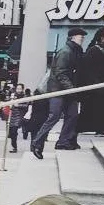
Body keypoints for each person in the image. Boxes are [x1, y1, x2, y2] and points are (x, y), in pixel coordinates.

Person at [31, 26, 86, 158]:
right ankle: (37, 143)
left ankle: (63, 141)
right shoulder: (66, 52)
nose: (83, 38)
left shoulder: (75, 51)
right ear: (73, 37)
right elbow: (60, 73)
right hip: (58, 90)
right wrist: (72, 88)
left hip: (67, 90)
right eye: (81, 36)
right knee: (54, 116)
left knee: (72, 115)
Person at [79, 28, 104, 135]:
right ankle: (85, 127)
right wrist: (95, 82)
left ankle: (101, 128)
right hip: (94, 86)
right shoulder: (93, 50)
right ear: (102, 37)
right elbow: (88, 69)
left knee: (103, 108)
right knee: (92, 108)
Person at [7, 83, 30, 152]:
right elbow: (9, 103)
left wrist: (18, 105)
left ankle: (15, 148)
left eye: (20, 89)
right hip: (12, 115)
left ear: (22, 89)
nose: (18, 90)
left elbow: (26, 106)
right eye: (17, 88)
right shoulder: (13, 95)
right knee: (11, 133)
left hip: (19, 116)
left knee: (14, 132)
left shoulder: (24, 96)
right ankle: (13, 145)